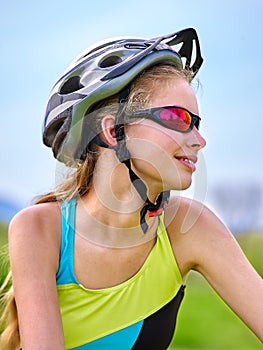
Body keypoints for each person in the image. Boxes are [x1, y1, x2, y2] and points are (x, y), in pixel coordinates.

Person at [0, 28, 263, 350]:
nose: (198, 140)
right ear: (113, 131)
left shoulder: (190, 228)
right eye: (178, 117)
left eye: (196, 123)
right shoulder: (40, 228)